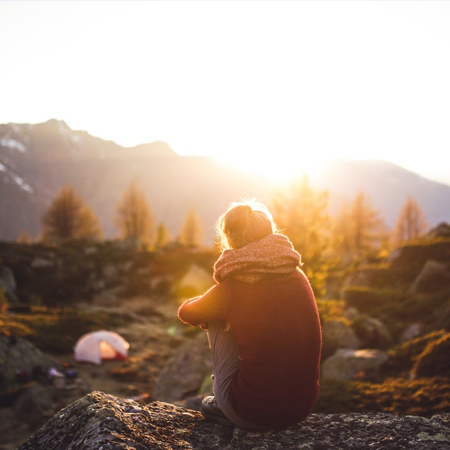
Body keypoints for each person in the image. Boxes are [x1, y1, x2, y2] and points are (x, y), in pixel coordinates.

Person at [178, 200, 322, 430]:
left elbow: (187, 313)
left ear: (231, 239)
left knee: (214, 317)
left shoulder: (235, 285)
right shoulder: (296, 274)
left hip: (250, 413)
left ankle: (223, 399)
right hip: (299, 410)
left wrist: (219, 305)